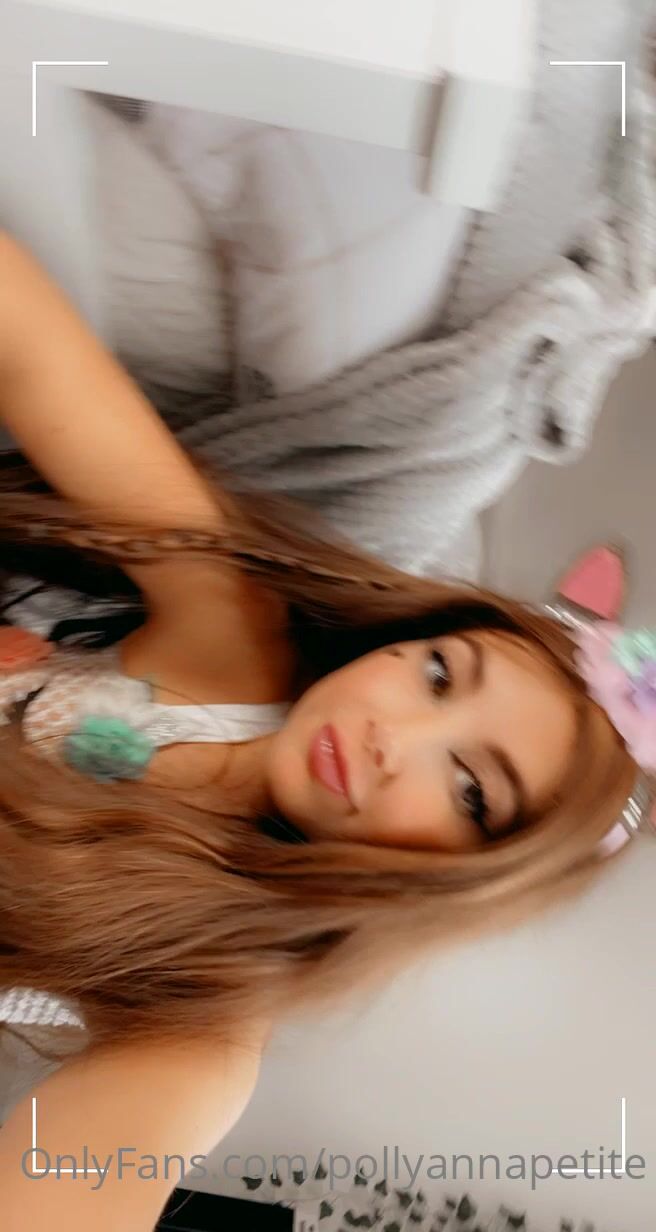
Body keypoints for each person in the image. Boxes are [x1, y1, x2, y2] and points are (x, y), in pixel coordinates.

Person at [0, 231, 651, 1232]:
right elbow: (30, 342)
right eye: (438, 674)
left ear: (457, 879)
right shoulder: (232, 633)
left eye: (468, 787)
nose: (396, 734)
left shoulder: (205, 1011)